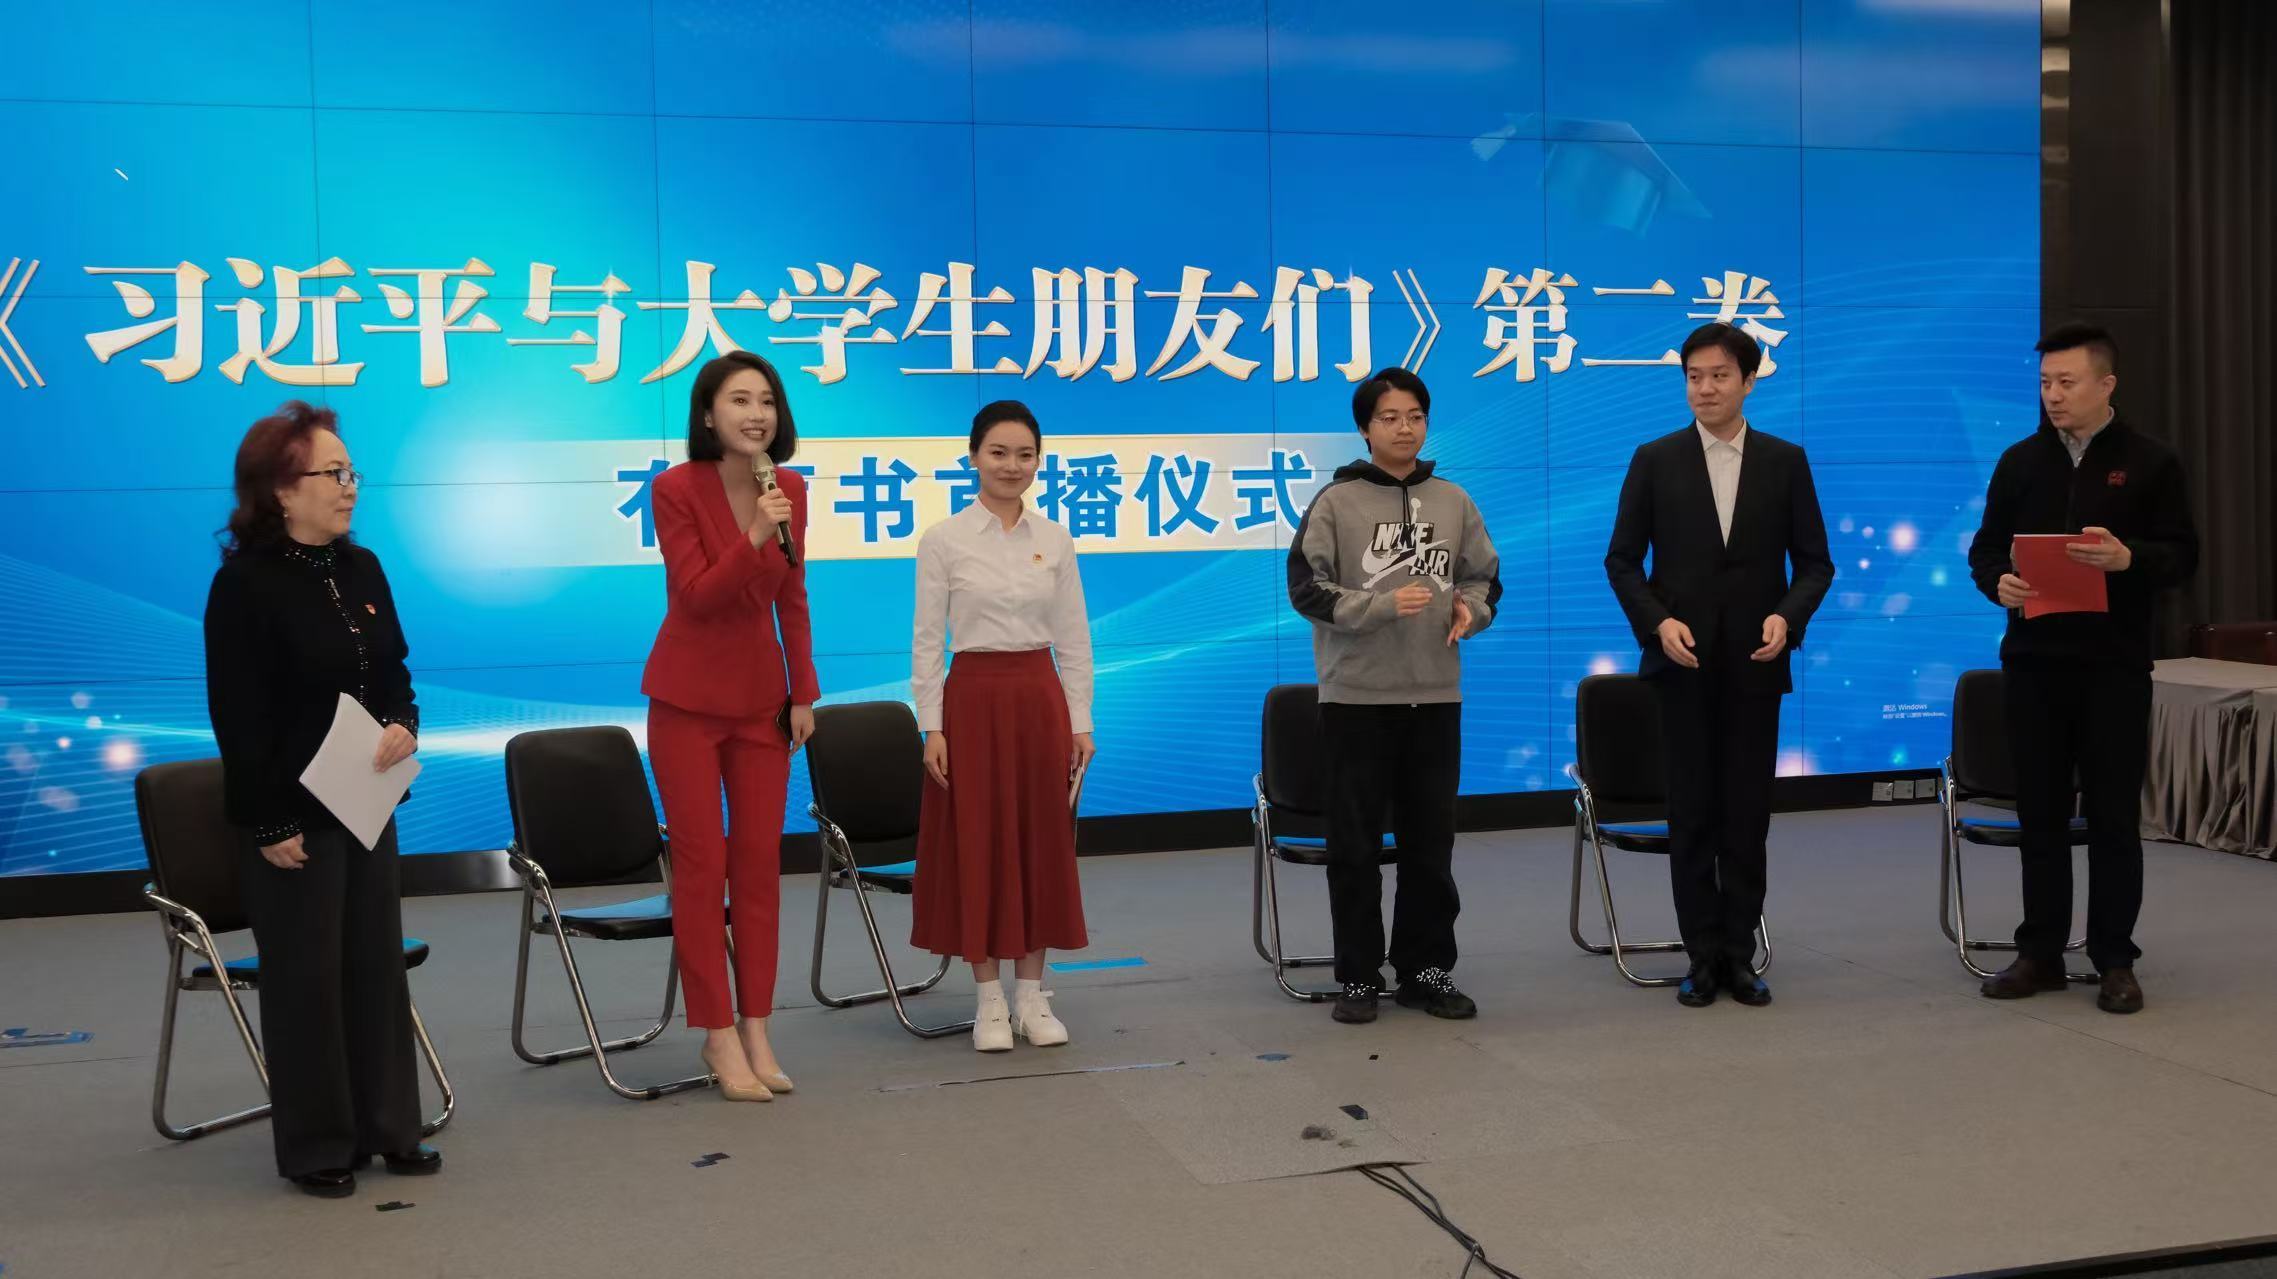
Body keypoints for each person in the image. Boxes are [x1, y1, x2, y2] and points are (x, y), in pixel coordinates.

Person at [203, 401, 437, 1197]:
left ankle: (390, 1127)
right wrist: (267, 818)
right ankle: (318, 1145)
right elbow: (239, 715)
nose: (348, 486)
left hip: (366, 800)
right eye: (331, 473)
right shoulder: (244, 584)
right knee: (306, 980)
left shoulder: (361, 567)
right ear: (280, 489)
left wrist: (404, 724)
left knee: (376, 969)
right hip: (291, 815)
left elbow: (394, 673)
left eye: (350, 471)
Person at [1967, 323, 2198, 1014]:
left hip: (2112, 667)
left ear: (2106, 384)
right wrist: (1998, 582)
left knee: (2112, 817)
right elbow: (1984, 550)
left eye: (2066, 382)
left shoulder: (2151, 461)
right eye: (2045, 383)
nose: (2053, 395)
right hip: (2033, 665)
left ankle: (2114, 958)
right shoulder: (2019, 461)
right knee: (2038, 814)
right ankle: (2039, 950)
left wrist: (2129, 559)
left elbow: (2182, 555)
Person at [1603, 322, 1833, 1009]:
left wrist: (1787, 617)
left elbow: (1815, 564)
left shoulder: (1785, 461)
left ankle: (1739, 953)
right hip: (1681, 665)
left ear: (1748, 381)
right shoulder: (1655, 458)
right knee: (1692, 813)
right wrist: (1657, 621)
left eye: (1719, 376)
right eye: (1693, 376)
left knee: (1745, 814)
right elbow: (1622, 560)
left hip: (1755, 666)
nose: (1704, 388)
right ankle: (1701, 956)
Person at [1287, 366, 1501, 1026]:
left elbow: (1484, 578)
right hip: (1355, 699)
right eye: (1389, 417)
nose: (1404, 428)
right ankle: (1357, 974)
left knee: (1429, 846)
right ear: (1364, 427)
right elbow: (1306, 589)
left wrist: (1470, 611)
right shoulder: (1335, 502)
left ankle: (1424, 970)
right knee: (1354, 848)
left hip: (1434, 697)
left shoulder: (1453, 500)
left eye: (1414, 416)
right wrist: (1377, 606)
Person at [641, 351, 819, 1100]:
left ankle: (757, 1026)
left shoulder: (790, 488)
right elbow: (696, 597)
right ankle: (716, 1032)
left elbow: (792, 598)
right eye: (740, 400)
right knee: (702, 867)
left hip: (762, 704)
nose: (756, 414)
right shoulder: (674, 489)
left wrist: (803, 691)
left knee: (757, 868)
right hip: (686, 702)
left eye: (766, 401)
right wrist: (752, 537)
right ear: (708, 414)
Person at [911, 400, 1096, 1053]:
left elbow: (1073, 638)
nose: (1011, 465)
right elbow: (926, 642)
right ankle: (988, 997)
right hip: (971, 702)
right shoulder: (943, 539)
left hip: (1039, 700)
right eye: (998, 452)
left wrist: (1080, 721)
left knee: (1040, 842)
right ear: (973, 457)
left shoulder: (1056, 538)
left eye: (1024, 454)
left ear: (1037, 461)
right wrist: (931, 726)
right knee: (979, 843)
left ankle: (1031, 995)